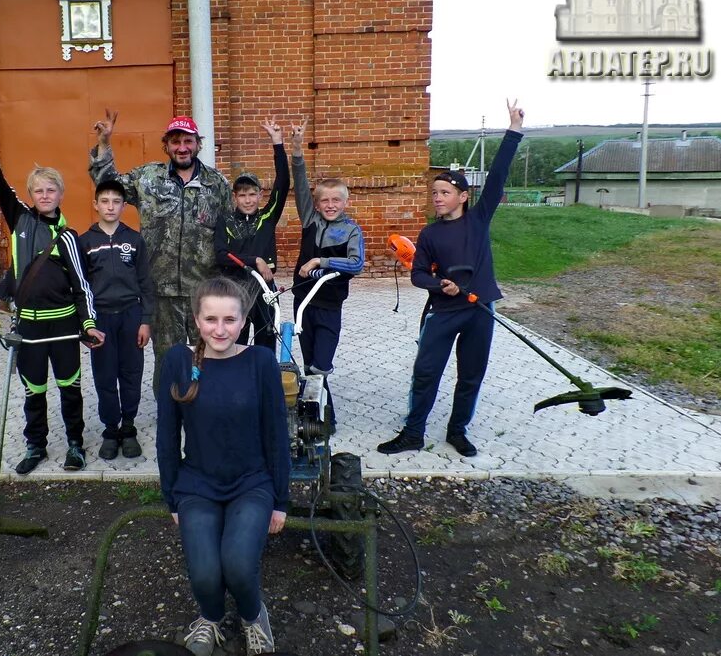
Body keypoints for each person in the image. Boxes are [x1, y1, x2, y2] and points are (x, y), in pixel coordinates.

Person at [376, 99, 525, 458]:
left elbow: (499, 174)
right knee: (426, 372)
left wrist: (513, 131)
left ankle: (457, 432)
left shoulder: (478, 219)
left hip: (480, 309)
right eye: (434, 193)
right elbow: (417, 276)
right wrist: (439, 284)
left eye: (444, 193)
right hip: (443, 311)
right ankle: (413, 432)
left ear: (463, 195)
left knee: (470, 375)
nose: (438, 198)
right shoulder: (429, 235)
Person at [0, 91, 105, 474]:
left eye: (51, 190)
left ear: (61, 195)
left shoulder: (69, 236)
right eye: (39, 190)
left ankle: (76, 445)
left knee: (70, 390)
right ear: (30, 195)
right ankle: (36, 447)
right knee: (34, 392)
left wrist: (90, 325)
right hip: (27, 326)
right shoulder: (19, 219)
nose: (45, 195)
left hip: (63, 327)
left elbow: (83, 286)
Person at [156, 277, 290, 656]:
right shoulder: (178, 362)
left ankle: (253, 616)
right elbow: (167, 437)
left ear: (244, 320)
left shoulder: (261, 362)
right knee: (204, 573)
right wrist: (172, 499)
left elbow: (276, 434)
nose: (220, 329)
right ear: (196, 320)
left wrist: (280, 500)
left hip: (252, 483)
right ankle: (210, 618)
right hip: (198, 484)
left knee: (237, 565)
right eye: (210, 319)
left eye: (229, 320)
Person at [89, 111, 231, 393]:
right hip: (160, 290)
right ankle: (169, 409)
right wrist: (104, 143)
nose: (182, 147)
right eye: (175, 141)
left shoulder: (217, 185)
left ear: (197, 144)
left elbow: (231, 233)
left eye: (188, 141)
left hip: (203, 289)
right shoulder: (147, 178)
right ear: (166, 145)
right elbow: (108, 185)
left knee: (208, 352)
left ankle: (205, 405)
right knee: (167, 356)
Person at [290, 121, 365, 424]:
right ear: (317, 204)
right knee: (309, 366)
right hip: (303, 303)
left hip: (330, 306)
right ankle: (318, 419)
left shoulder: (351, 231)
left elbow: (356, 264)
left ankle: (323, 418)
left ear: (346, 202)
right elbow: (299, 179)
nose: (330, 205)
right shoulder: (310, 219)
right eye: (325, 200)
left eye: (336, 200)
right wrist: (296, 148)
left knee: (321, 365)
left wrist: (321, 262)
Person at [78, 178, 155, 461]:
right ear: (95, 205)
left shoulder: (134, 240)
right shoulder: (84, 242)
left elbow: (146, 283)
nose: (110, 207)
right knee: (105, 375)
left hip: (131, 316)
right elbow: (81, 286)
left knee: (132, 373)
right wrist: (85, 324)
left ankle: (129, 426)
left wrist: (145, 320)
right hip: (100, 320)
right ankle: (111, 429)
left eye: (116, 202)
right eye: (105, 201)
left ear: (124, 206)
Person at [214, 118, 291, 358]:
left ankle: (265, 386)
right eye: (242, 195)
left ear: (259, 195)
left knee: (267, 341)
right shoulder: (225, 221)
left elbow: (283, 182)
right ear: (235, 197)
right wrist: (255, 260)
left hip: (265, 290)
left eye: (252, 194)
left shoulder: (267, 217)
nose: (247, 200)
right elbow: (221, 255)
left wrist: (277, 143)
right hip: (235, 289)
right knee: (236, 343)